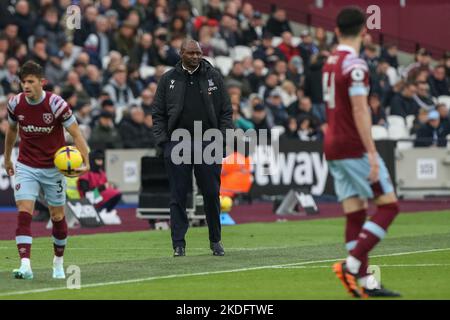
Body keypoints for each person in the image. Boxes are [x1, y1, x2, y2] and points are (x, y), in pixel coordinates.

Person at [323, 7, 401, 298]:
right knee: (389, 206)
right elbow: (359, 109)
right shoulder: (354, 65)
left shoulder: (330, 61)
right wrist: (371, 152)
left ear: (336, 31)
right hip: (352, 145)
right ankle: (352, 264)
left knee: (355, 213)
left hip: (332, 145)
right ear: (364, 32)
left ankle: (366, 284)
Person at [3, 61, 90, 280]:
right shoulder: (15, 104)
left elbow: (76, 133)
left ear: (42, 82)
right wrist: (7, 159)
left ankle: (58, 263)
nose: (26, 86)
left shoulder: (57, 104)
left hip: (53, 168)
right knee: (24, 211)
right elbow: (12, 131)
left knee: (57, 215)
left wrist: (85, 161)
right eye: (23, 82)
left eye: (31, 81)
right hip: (26, 165)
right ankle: (25, 265)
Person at [152, 39, 233, 257]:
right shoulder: (168, 79)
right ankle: (178, 244)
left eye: (198, 53)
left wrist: (223, 138)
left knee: (210, 193)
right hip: (178, 142)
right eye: (191, 53)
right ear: (181, 54)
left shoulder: (213, 76)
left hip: (208, 141)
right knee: (178, 194)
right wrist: (163, 141)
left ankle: (215, 240)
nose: (196, 56)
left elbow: (226, 111)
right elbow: (158, 113)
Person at [77, 150, 122, 223]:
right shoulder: (85, 174)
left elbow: (105, 188)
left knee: (117, 193)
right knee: (116, 193)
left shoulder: (101, 173)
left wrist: (109, 186)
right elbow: (86, 193)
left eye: (101, 160)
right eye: (98, 160)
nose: (101, 162)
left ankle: (104, 212)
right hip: (88, 198)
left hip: (98, 196)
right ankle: (100, 212)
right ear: (92, 160)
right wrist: (102, 188)